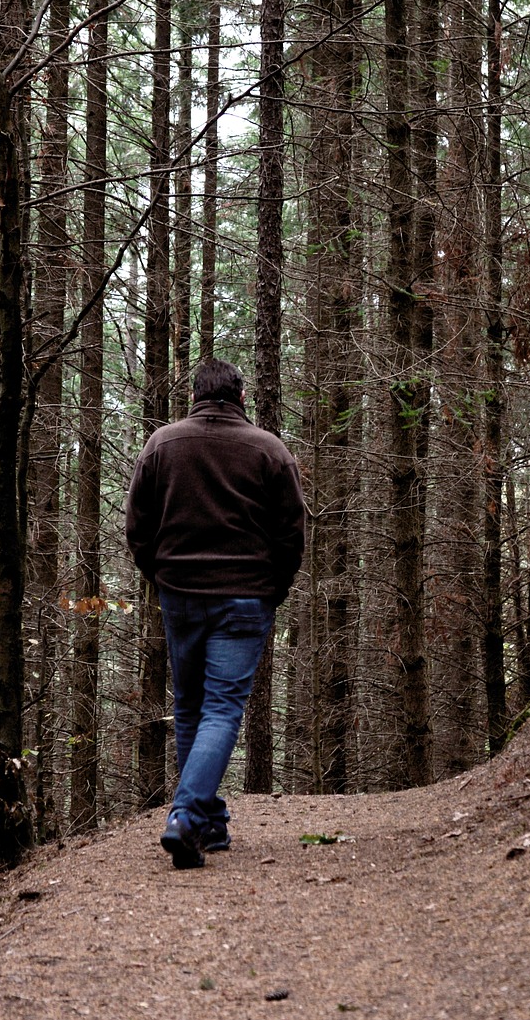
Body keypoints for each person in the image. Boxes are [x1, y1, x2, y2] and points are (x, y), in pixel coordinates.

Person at [124, 358, 307, 869]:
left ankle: (207, 824)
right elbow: (293, 533)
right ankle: (186, 817)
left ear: (195, 396)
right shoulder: (270, 450)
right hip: (246, 596)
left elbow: (136, 526)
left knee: (190, 707)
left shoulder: (162, 444)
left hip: (181, 594)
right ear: (241, 396)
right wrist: (275, 586)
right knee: (222, 708)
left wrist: (159, 575)